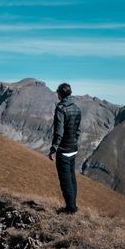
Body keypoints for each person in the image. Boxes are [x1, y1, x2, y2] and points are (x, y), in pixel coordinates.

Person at [47, 82, 81, 213]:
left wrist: (53, 149)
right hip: (74, 148)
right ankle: (73, 206)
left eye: (57, 92)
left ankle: (71, 209)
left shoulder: (61, 108)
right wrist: (73, 141)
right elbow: (78, 130)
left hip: (64, 150)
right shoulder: (77, 108)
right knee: (72, 177)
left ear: (60, 93)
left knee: (65, 180)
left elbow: (59, 131)